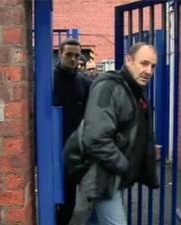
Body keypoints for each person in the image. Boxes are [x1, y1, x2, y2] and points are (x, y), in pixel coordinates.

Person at [64, 42, 159, 225]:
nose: (149, 71)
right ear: (129, 60)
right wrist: (125, 166)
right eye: (144, 63)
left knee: (86, 219)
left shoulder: (133, 89)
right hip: (101, 177)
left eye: (153, 66)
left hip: (109, 175)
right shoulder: (109, 87)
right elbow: (96, 139)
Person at [54, 38, 90, 225]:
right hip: (51, 148)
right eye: (69, 54)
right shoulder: (47, 80)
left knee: (69, 199)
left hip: (74, 148)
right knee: (50, 196)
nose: (73, 59)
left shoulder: (83, 82)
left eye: (77, 55)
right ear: (60, 54)